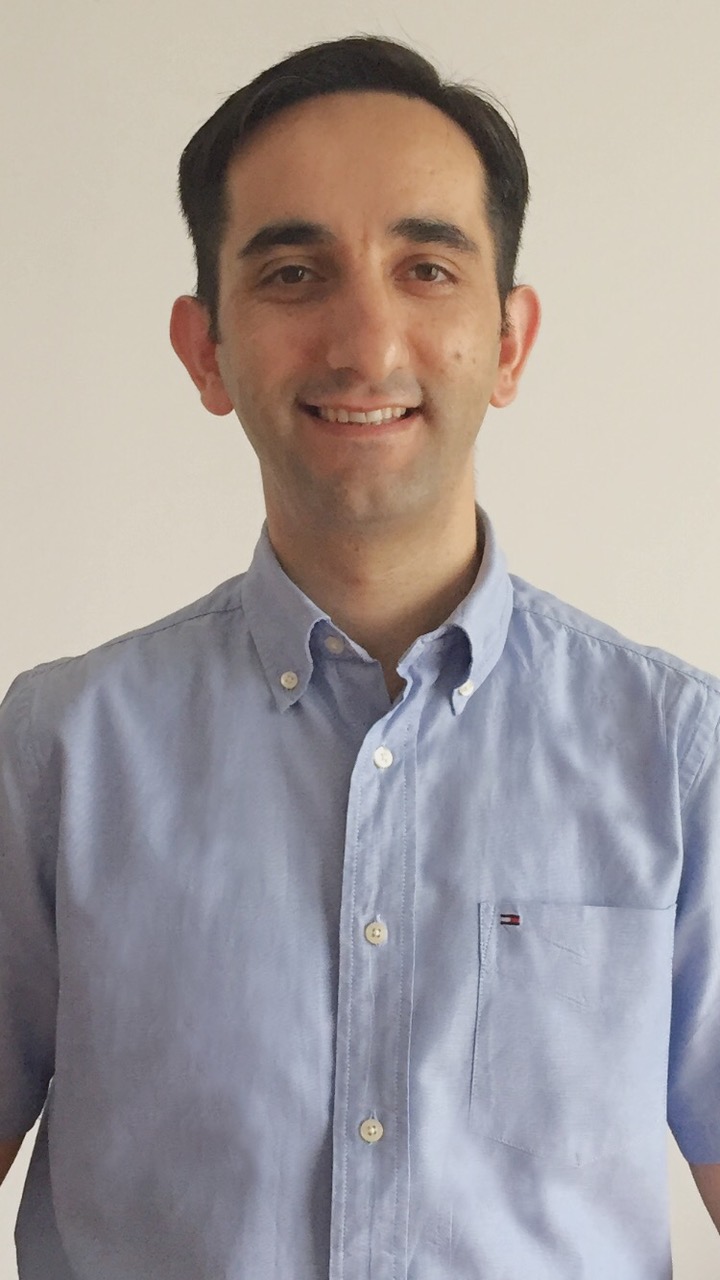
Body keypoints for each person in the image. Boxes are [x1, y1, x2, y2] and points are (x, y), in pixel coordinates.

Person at [0, 33, 718, 1280]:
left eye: (426, 268)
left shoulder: (678, 754)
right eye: (294, 273)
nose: (366, 341)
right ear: (206, 349)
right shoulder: (59, 752)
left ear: (510, 339)